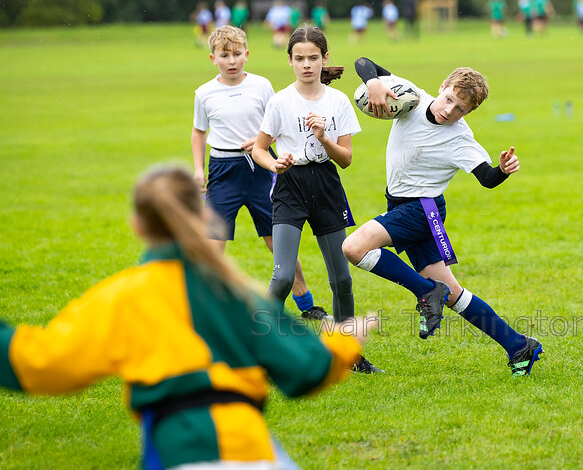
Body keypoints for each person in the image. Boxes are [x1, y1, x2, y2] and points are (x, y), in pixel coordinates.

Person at [0, 164, 376, 469]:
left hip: (181, 453)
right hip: (256, 452)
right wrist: (345, 339)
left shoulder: (122, 297)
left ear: (139, 226)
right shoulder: (236, 292)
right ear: (203, 216)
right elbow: (307, 369)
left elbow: (39, 364)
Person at [341, 57, 544, 377]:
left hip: (422, 210)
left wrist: (503, 170)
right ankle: (518, 345)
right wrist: (374, 83)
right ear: (441, 88)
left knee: (354, 248)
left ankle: (424, 291)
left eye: (460, 109)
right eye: (449, 99)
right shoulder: (413, 97)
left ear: (468, 113)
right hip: (407, 207)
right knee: (451, 293)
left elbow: (487, 178)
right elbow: (364, 62)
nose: (450, 110)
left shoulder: (460, 138)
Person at [251, 26, 379, 373]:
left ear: (324, 59)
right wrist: (275, 163)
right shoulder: (279, 101)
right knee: (280, 278)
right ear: (290, 61)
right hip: (289, 187)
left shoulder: (337, 102)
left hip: (325, 186)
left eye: (313, 58)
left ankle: (348, 355)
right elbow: (260, 150)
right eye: (299, 58)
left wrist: (324, 137)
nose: (306, 64)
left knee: (341, 279)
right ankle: (257, 348)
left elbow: (346, 159)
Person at [191, 25, 326, 322]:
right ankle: (205, 308)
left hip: (261, 168)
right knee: (213, 243)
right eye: (224, 55)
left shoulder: (262, 86)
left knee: (277, 240)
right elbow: (199, 132)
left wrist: (265, 143)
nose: (231, 60)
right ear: (213, 58)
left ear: (247, 55)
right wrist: (199, 170)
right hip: (223, 171)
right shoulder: (204, 93)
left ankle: (306, 304)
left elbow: (279, 123)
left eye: (237, 54)